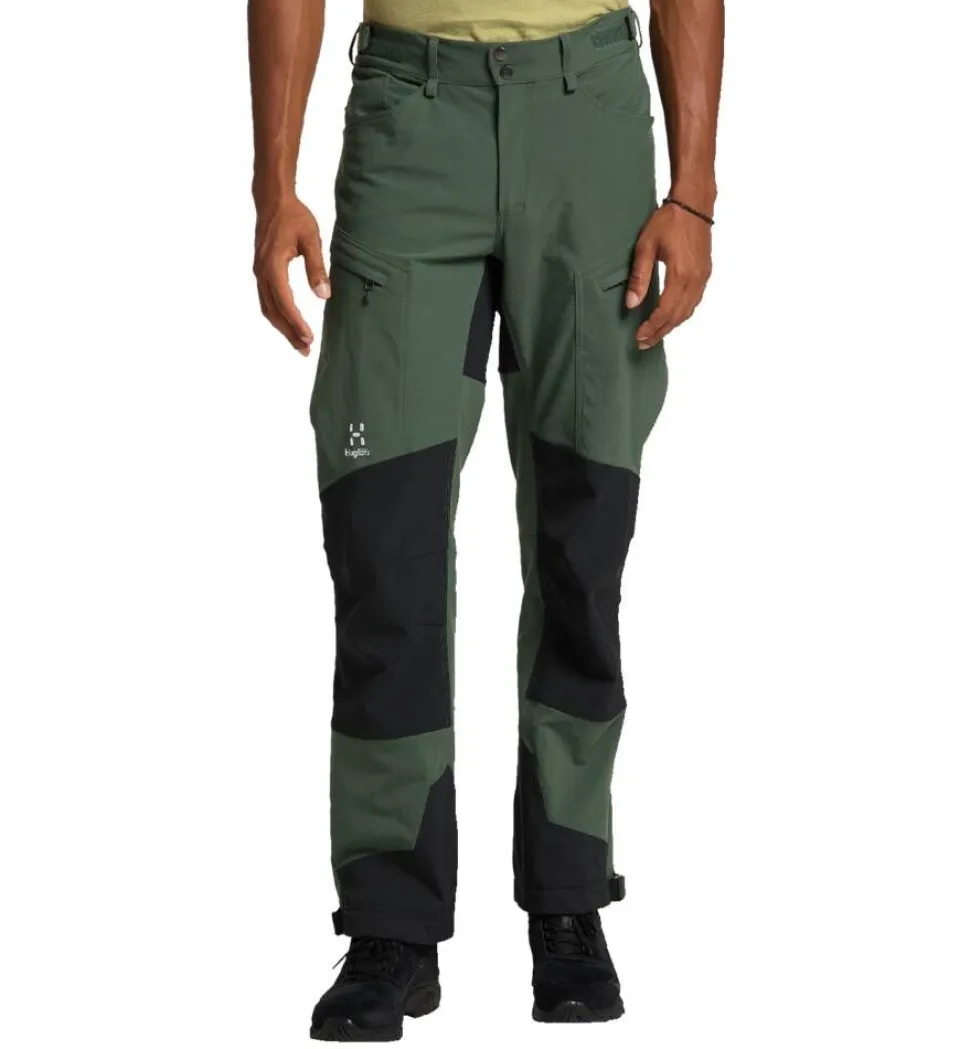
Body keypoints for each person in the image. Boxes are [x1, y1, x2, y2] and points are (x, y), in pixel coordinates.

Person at [249, 0, 723, 1038]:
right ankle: (390, 923)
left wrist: (693, 191)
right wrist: (272, 184)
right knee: (384, 542)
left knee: (583, 540)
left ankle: (569, 896)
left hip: (589, 125)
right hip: (409, 127)